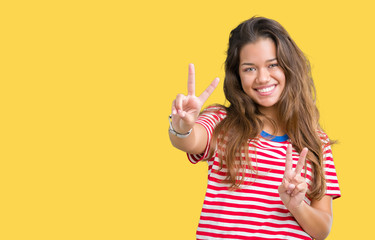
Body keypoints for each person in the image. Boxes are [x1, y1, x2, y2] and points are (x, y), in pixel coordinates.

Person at [168, 16, 340, 240]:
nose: (262, 78)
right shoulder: (222, 121)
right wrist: (181, 128)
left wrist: (297, 206)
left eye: (273, 65)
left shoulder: (316, 142)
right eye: (249, 69)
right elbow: (191, 140)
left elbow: (322, 229)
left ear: (289, 67)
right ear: (237, 76)